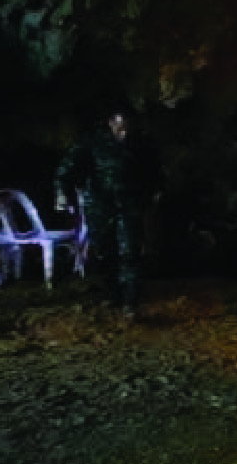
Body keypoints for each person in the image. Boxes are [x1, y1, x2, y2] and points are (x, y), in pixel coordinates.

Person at [55, 108, 160, 314]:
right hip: (100, 204)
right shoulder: (93, 142)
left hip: (130, 203)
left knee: (130, 250)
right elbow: (68, 167)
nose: (124, 129)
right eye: (120, 123)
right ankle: (113, 294)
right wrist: (62, 192)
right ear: (111, 122)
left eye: (127, 123)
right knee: (104, 250)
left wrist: (153, 193)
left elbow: (154, 170)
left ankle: (130, 302)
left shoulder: (141, 143)